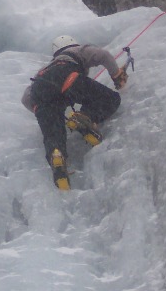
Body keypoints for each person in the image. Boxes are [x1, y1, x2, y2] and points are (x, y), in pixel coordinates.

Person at [21, 35, 128, 190]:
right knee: (110, 99)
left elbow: (25, 98)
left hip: (39, 92)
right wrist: (116, 75)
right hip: (67, 78)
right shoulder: (78, 50)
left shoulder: (45, 68)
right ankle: (85, 118)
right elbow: (103, 55)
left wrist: (43, 111)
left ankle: (57, 155)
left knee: (53, 134)